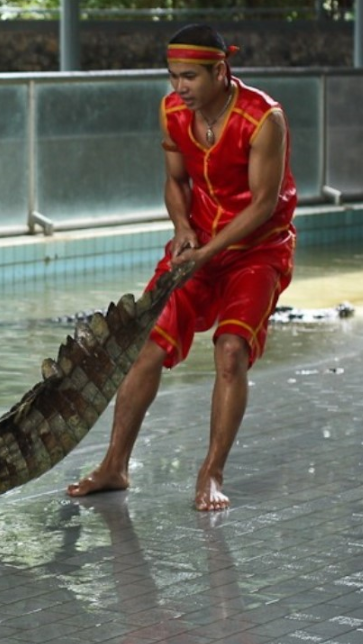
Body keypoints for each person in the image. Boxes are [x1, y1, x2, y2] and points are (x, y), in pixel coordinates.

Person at [67, 24, 297, 512]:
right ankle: (114, 466)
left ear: (220, 70)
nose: (179, 88)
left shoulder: (263, 119)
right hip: (197, 247)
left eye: (189, 77)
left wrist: (209, 252)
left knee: (230, 351)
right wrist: (181, 226)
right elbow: (175, 183)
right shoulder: (172, 111)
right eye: (173, 77)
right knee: (143, 350)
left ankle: (211, 473)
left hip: (258, 251)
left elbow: (262, 205)